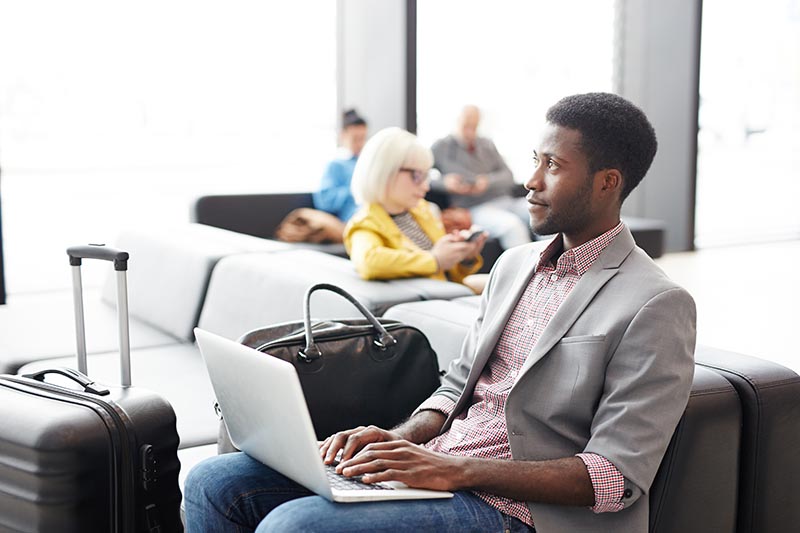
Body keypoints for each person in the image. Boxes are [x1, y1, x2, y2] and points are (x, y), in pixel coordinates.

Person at [184, 93, 697, 533]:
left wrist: (454, 471)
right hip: (444, 469)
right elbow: (456, 389)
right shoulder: (514, 266)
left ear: (608, 183)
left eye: (554, 166)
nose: (530, 181)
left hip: (521, 512)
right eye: (535, 159)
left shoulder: (655, 303)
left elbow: (614, 478)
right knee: (216, 482)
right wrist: (396, 439)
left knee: (295, 526)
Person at [342, 127, 487, 289]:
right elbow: (369, 262)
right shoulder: (365, 223)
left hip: (446, 293)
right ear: (385, 173)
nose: (426, 186)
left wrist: (464, 257)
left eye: (427, 176)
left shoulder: (422, 211)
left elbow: (448, 275)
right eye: (418, 176)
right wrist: (434, 260)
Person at [431, 105, 532, 249]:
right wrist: (445, 183)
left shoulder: (487, 144)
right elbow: (421, 177)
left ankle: (559, 267)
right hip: (475, 208)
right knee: (512, 226)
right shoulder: (440, 147)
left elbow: (508, 176)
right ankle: (529, 272)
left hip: (505, 201)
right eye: (466, 125)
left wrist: (487, 182)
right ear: (457, 121)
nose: (470, 131)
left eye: (474, 126)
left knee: (545, 214)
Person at [313, 109, 369, 222]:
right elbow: (324, 201)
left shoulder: (368, 163)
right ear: (343, 135)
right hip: (357, 216)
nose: (360, 144)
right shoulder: (336, 165)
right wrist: (355, 190)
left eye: (363, 138)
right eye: (355, 139)